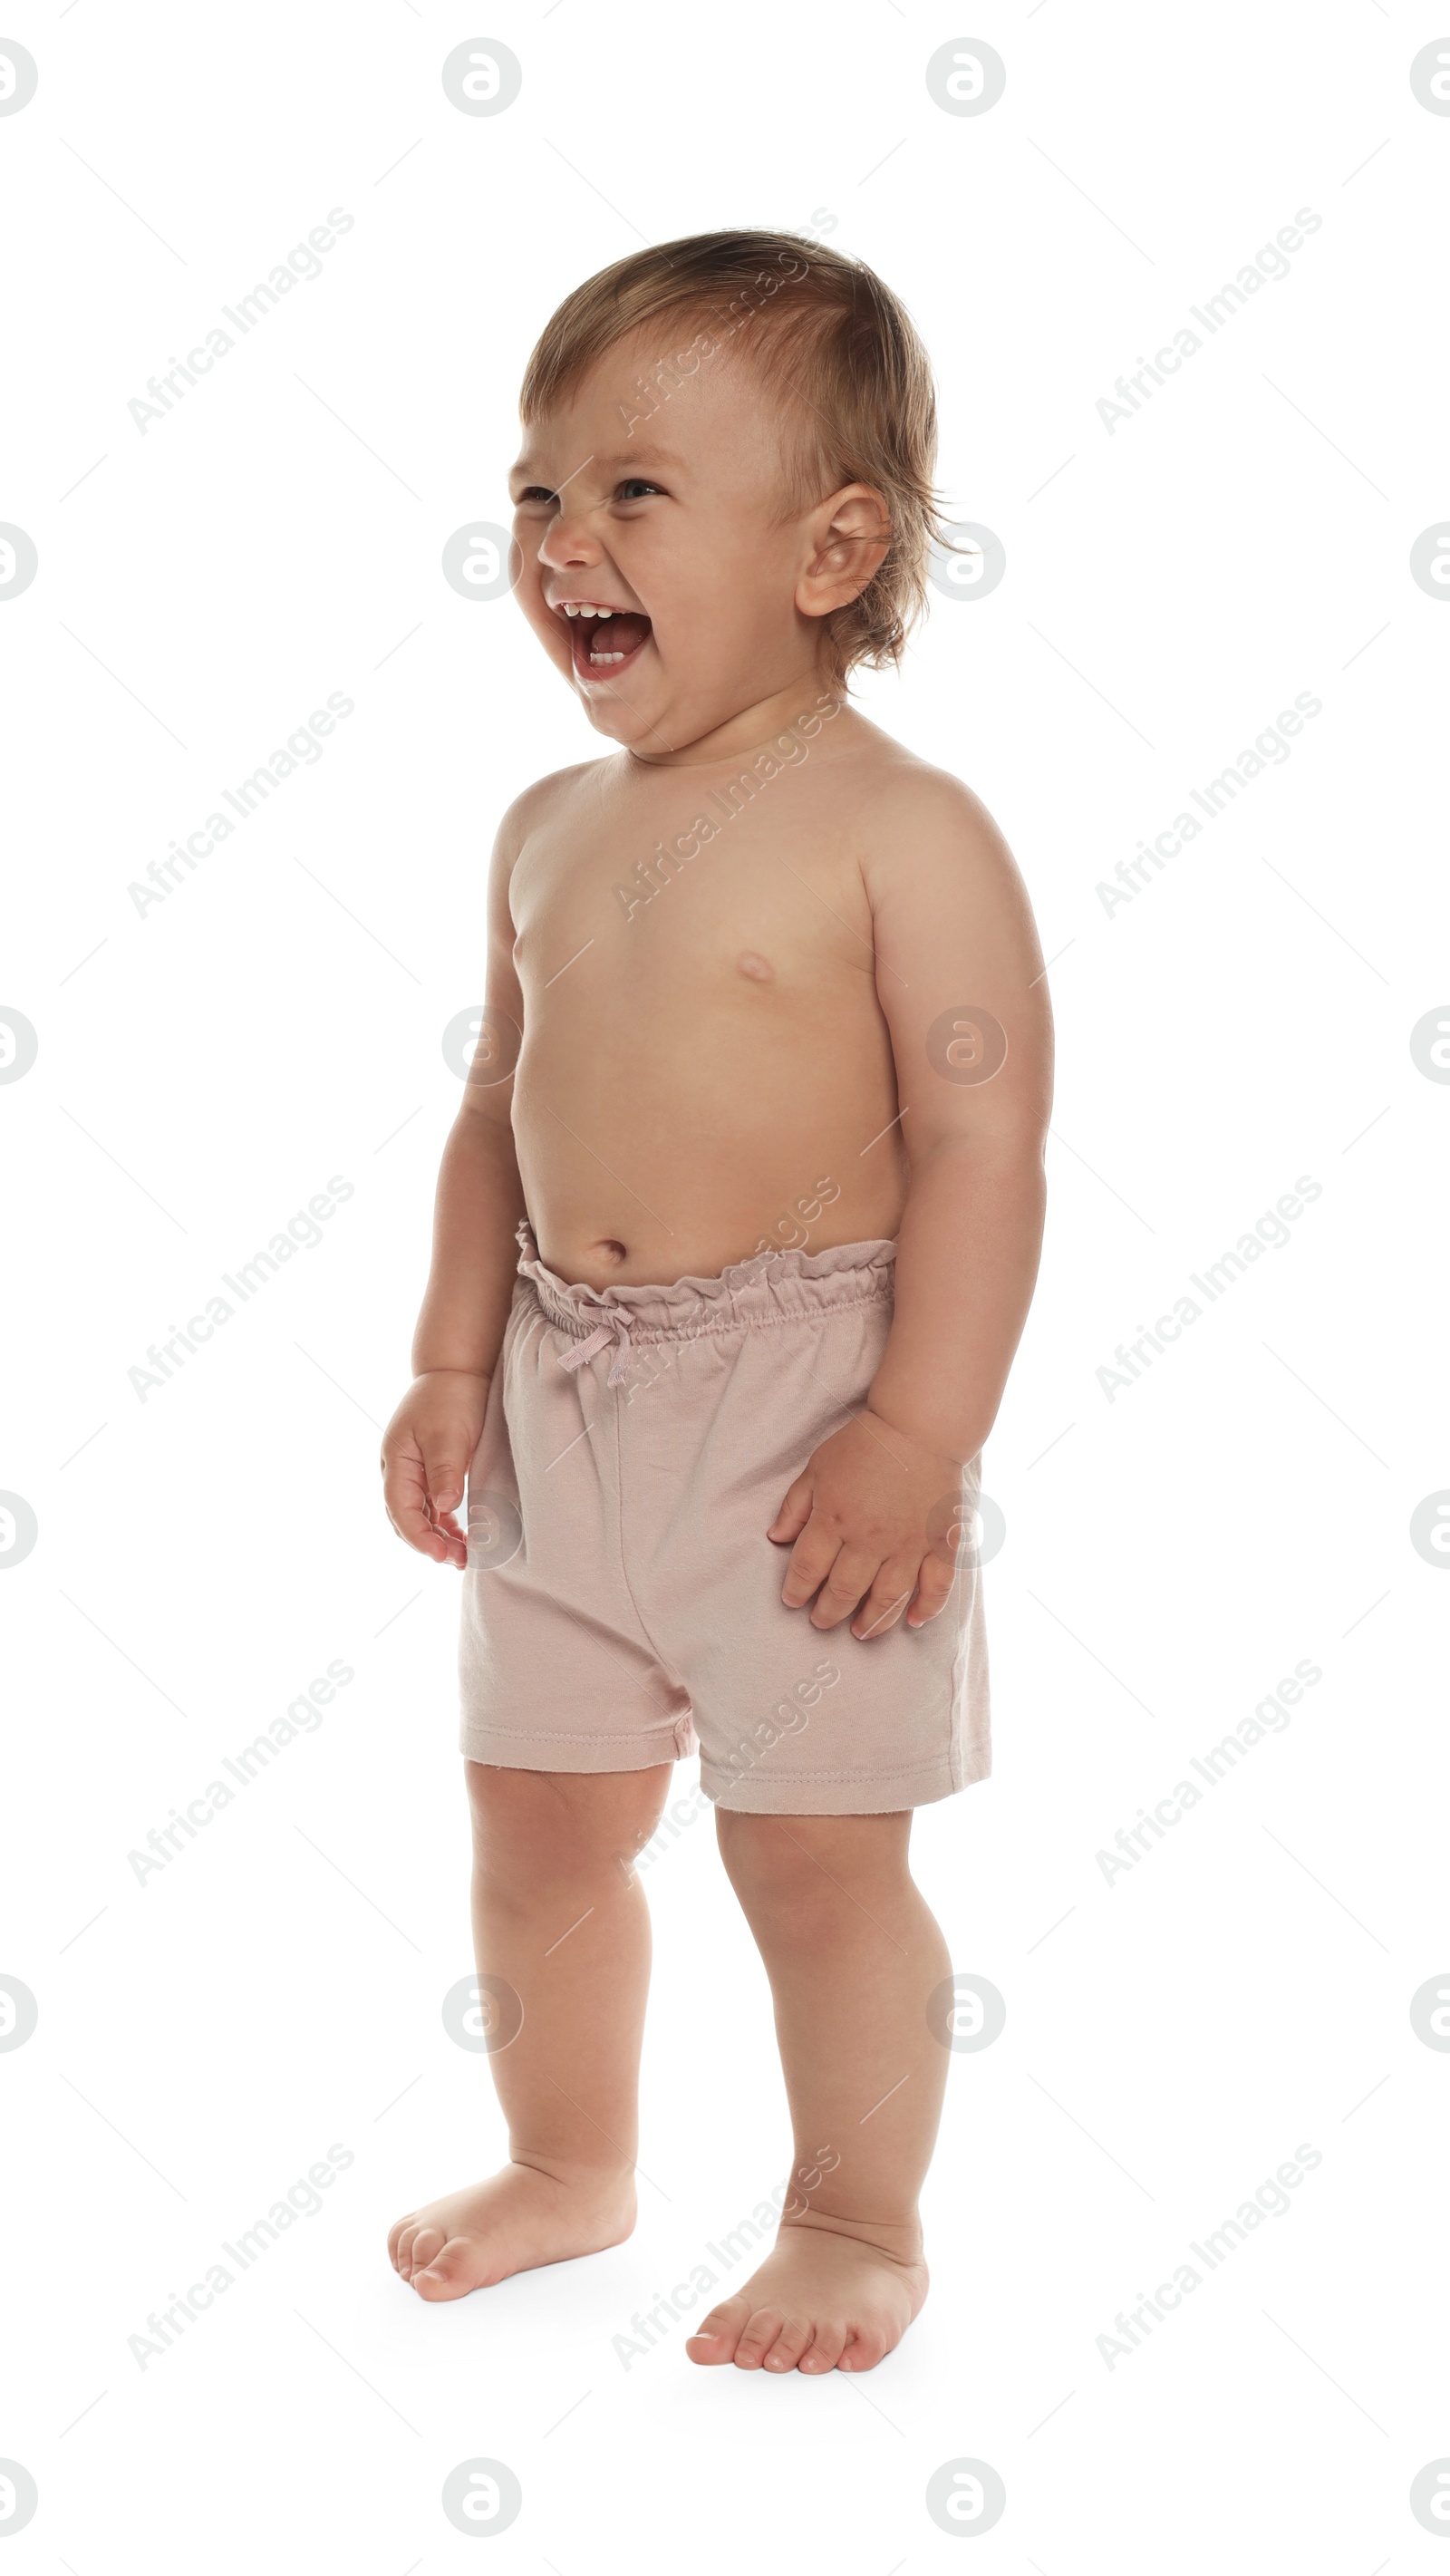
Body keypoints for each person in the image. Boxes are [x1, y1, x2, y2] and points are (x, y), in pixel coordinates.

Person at [382, 231, 1051, 2375]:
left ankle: (855, 2214)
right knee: (535, 1822)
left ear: (832, 546)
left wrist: (914, 1432)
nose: (563, 541)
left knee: (811, 1861)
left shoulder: (901, 827)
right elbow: (498, 1100)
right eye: (536, 493)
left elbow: (979, 1148)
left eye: (633, 493)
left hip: (806, 1412)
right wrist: (449, 1354)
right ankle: (568, 2157)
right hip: (557, 1408)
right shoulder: (543, 829)